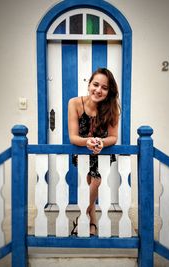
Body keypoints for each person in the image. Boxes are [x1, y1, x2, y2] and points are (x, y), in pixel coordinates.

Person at [68, 68, 120, 236]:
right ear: (89, 84)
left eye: (104, 87)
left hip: (101, 154)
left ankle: (82, 216)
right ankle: (93, 219)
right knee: (89, 183)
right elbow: (73, 137)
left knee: (95, 182)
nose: (98, 90)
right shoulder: (74, 103)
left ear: (109, 91)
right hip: (82, 152)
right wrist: (87, 142)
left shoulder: (113, 109)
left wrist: (100, 142)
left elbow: (113, 137)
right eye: (95, 85)